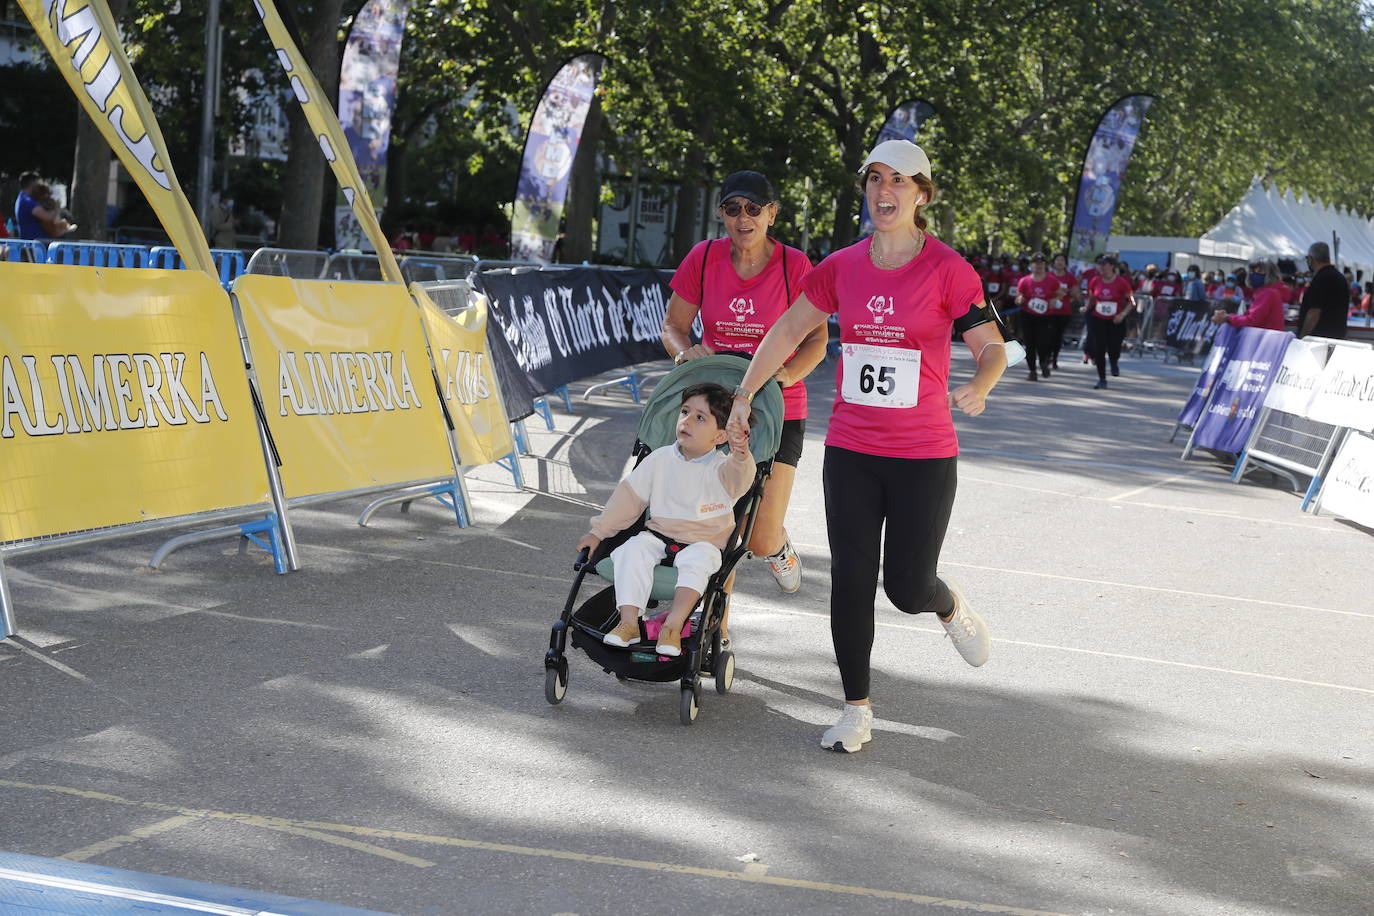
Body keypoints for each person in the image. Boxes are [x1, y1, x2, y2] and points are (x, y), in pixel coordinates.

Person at [724, 139, 1005, 753]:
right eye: (875, 179)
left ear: (922, 195)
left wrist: (979, 384)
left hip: (924, 454)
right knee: (853, 578)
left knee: (906, 587)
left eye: (899, 182)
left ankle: (949, 605)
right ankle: (856, 709)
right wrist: (744, 393)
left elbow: (991, 346)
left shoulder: (950, 270)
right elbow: (787, 330)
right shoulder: (841, 267)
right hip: (852, 449)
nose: (885, 192)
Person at [662, 170, 825, 602]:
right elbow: (673, 327)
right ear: (721, 214)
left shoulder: (794, 265)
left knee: (759, 538)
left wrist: (788, 373)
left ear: (772, 214)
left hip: (778, 408)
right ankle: (716, 628)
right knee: (719, 523)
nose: (743, 217)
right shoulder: (704, 256)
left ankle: (779, 547)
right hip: (717, 406)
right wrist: (684, 353)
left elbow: (817, 340)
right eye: (733, 208)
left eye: (754, 208)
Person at [576, 383, 754, 658]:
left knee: (697, 563)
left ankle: (673, 625)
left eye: (699, 417)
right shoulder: (659, 460)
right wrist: (598, 532)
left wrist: (740, 452)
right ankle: (629, 622)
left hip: (704, 540)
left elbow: (740, 477)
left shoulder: (722, 468)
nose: (686, 421)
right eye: (685, 412)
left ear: (720, 435)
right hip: (659, 535)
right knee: (631, 551)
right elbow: (627, 501)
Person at [1083, 255, 1134, 389]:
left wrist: (1122, 314)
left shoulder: (1121, 282)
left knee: (1114, 347)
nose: (1101, 267)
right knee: (1099, 348)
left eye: (1104, 265)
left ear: (1112, 266)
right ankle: (1102, 379)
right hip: (1098, 319)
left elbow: (1131, 302)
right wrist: (1086, 308)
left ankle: (1114, 361)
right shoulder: (1095, 281)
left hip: (1116, 320)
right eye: (1100, 264)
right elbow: (1092, 299)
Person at [1014, 252, 1061, 380]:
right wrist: (1019, 299)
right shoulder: (1024, 281)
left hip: (1045, 316)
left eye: (1041, 263)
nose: (1038, 265)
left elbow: (1058, 294)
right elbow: (1018, 296)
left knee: (1043, 342)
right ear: (1031, 265)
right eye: (1035, 263)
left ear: (1045, 265)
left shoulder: (1052, 280)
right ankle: (1032, 371)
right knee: (1030, 344)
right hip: (1027, 315)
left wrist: (1054, 300)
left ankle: (1043, 362)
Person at [1212, 259, 1286, 331]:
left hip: (1266, 339)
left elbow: (1252, 320)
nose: (1253, 274)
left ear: (1270, 274)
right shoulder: (1269, 292)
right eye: (1252, 271)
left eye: (1259, 271)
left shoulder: (1268, 293)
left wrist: (1228, 318)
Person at [1297, 242, 1348, 339]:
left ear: (1311, 259)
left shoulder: (1320, 279)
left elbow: (1314, 312)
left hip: (1319, 339)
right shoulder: (1340, 277)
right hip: (1336, 337)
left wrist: (1303, 337)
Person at [13, 173, 73, 241]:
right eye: (38, 183)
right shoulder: (27, 201)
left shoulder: (24, 198)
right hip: (35, 245)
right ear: (33, 184)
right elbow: (48, 217)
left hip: (39, 242)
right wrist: (56, 208)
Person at [1047, 253, 1077, 370]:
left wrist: (1067, 291)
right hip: (1049, 310)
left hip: (1064, 311)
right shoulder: (1048, 276)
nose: (1059, 262)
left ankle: (1054, 358)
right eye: (1057, 260)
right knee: (1048, 334)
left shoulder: (1070, 277)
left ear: (1065, 264)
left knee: (1058, 336)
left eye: (1062, 260)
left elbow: (1075, 293)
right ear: (1054, 262)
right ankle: (1047, 356)